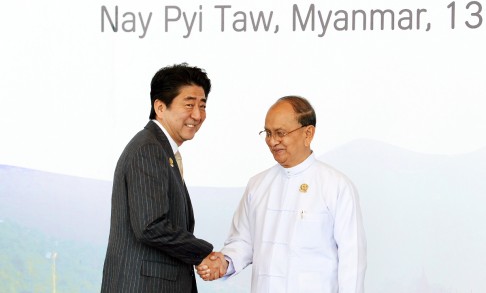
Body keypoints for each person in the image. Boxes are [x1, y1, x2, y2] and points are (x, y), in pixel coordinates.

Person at [197, 95, 367, 292]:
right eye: (268, 133)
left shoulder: (336, 186)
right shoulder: (258, 185)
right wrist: (225, 262)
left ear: (308, 133)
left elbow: (352, 260)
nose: (272, 141)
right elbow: (243, 241)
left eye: (280, 133)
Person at [101, 63, 225, 293]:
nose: (197, 115)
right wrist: (202, 253)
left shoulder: (161, 150)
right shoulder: (148, 149)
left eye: (202, 105)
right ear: (160, 106)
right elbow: (151, 225)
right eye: (189, 105)